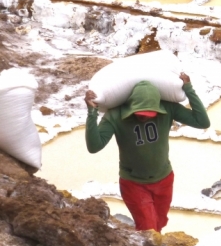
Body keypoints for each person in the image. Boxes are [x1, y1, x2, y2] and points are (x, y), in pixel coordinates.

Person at [84, 74, 210, 232]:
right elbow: (94, 146)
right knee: (148, 229)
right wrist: (92, 113)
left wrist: (189, 90)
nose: (144, 117)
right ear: (132, 106)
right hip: (134, 183)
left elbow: (202, 122)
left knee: (160, 223)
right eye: (140, 114)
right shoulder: (115, 116)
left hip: (164, 179)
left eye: (150, 114)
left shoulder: (168, 109)